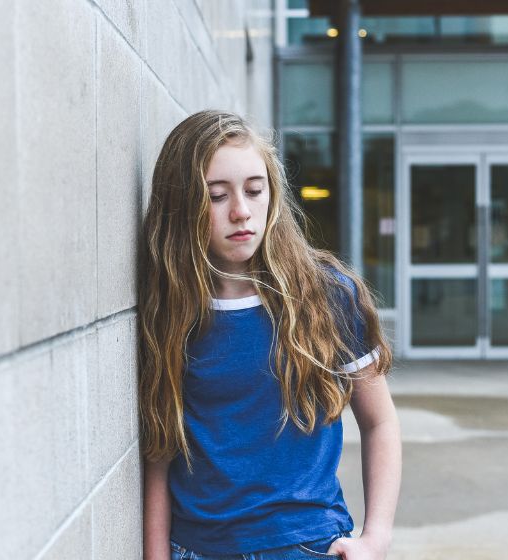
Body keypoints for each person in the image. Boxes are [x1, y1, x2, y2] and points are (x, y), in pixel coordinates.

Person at [138, 110, 401, 560]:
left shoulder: (327, 295)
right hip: (199, 549)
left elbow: (379, 422)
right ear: (184, 206)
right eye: (216, 196)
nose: (241, 211)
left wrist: (375, 537)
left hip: (307, 544)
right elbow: (160, 451)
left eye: (254, 190)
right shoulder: (171, 310)